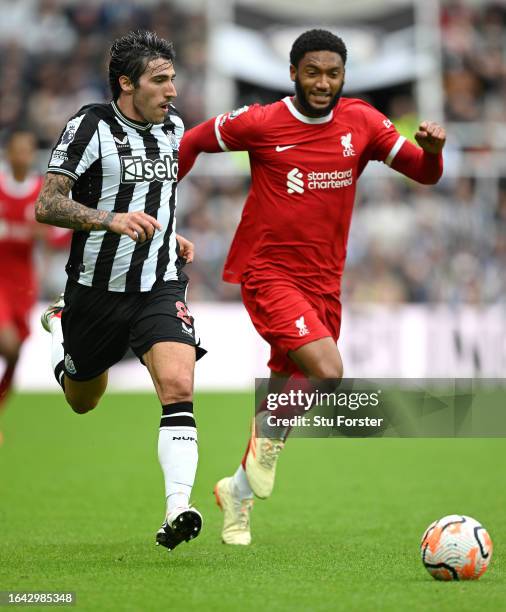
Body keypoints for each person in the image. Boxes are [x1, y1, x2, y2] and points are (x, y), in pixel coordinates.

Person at [178, 29, 446, 545]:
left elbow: (425, 173)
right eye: (313, 72)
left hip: (324, 283)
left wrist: (431, 152)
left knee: (283, 393)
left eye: (333, 73)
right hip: (267, 272)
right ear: (293, 73)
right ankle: (263, 449)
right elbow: (192, 140)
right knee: (327, 371)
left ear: (344, 76)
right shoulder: (261, 121)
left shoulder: (363, 122)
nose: (323, 83)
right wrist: (162, 207)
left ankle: (236, 494)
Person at [35, 30, 205, 552]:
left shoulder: (173, 128)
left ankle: (178, 508)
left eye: (173, 78)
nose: (172, 90)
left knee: (178, 383)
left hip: (158, 284)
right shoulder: (90, 127)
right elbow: (47, 204)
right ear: (127, 84)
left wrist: (169, 232)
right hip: (95, 292)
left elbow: (157, 194)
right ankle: (70, 363)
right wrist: (110, 221)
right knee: (83, 400)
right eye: (160, 80)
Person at [0, 129, 69, 419]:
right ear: (8, 154)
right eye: (17, 150)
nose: (22, 156)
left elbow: (56, 238)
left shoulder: (40, 191)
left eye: (27, 151)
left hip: (23, 282)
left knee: (15, 354)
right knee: (9, 343)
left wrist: (53, 236)